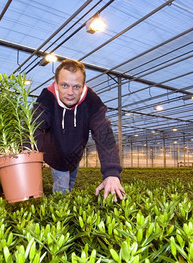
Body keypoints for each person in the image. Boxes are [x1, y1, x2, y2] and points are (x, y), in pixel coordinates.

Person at [34, 59, 125, 200]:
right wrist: (26, 155)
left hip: (75, 158)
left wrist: (112, 172)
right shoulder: (47, 98)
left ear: (83, 86)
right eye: (64, 85)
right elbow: (34, 126)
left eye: (76, 87)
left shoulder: (91, 101)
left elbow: (104, 134)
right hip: (56, 158)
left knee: (70, 186)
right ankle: (60, 216)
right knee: (62, 193)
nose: (70, 92)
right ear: (56, 84)